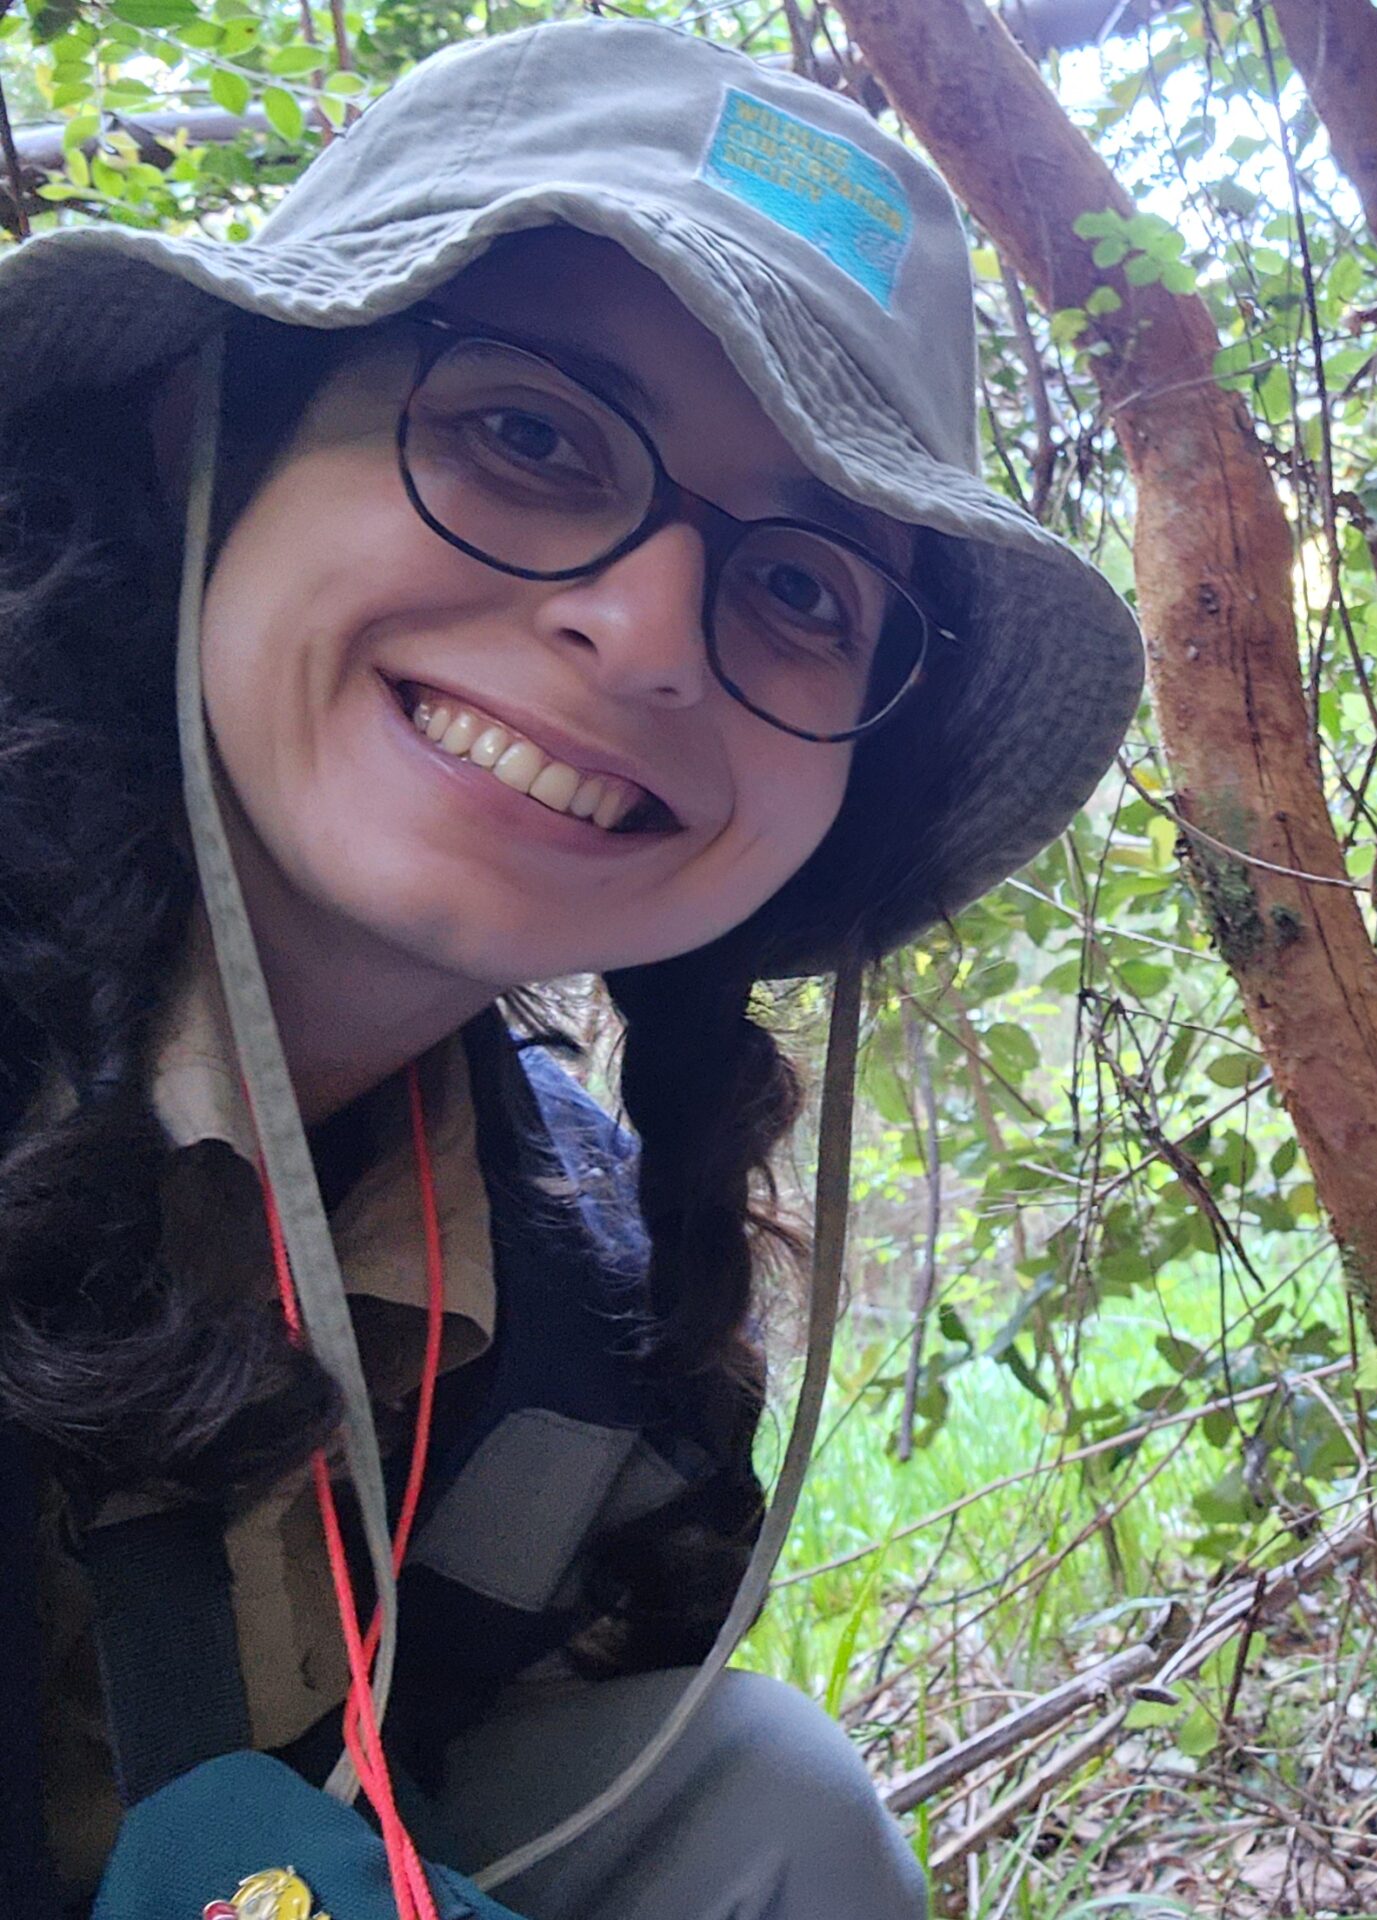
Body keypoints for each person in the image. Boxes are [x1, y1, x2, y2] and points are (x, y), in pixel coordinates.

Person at [0, 18, 1142, 1919]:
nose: (642, 631)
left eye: (798, 586)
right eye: (530, 436)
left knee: (759, 1798)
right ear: (211, 426)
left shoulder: (565, 1292)